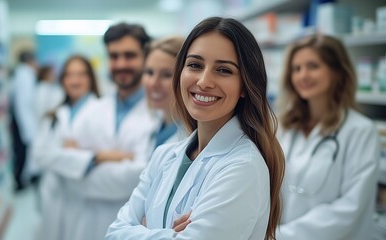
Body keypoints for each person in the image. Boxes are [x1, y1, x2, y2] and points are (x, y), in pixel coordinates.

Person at [106, 17, 285, 240]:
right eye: (195, 65)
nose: (203, 81)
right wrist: (169, 234)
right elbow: (113, 232)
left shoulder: (242, 167)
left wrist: (145, 229)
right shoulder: (164, 156)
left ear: (245, 86)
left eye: (223, 70)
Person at [32, 22, 158, 240]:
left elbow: (137, 176)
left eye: (129, 55)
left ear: (146, 57)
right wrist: (107, 158)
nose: (121, 64)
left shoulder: (157, 115)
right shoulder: (95, 110)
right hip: (83, 223)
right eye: (114, 56)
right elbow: (61, 162)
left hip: (132, 224)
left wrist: (82, 166)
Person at [276, 34, 380, 240]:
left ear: (337, 72)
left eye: (313, 66)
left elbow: (350, 206)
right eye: (296, 69)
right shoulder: (286, 127)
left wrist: (282, 235)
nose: (303, 75)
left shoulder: (360, 130)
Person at [31, 55, 101, 239]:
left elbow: (105, 154)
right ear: (63, 80)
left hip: (86, 195)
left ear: (90, 79)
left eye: (81, 75)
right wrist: (81, 155)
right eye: (69, 75)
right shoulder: (53, 116)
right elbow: (39, 154)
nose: (75, 80)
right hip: (53, 193)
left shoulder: (103, 111)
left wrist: (62, 153)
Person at [142, 36, 186, 151]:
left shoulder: (192, 136)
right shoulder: (157, 125)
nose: (153, 83)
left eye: (166, 74)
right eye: (149, 72)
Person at [10, 50, 37, 191]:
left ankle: (21, 179)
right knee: (21, 152)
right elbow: (23, 104)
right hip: (22, 122)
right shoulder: (25, 76)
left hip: (21, 121)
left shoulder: (23, 74)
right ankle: (19, 182)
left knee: (22, 152)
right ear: (30, 60)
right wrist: (28, 129)